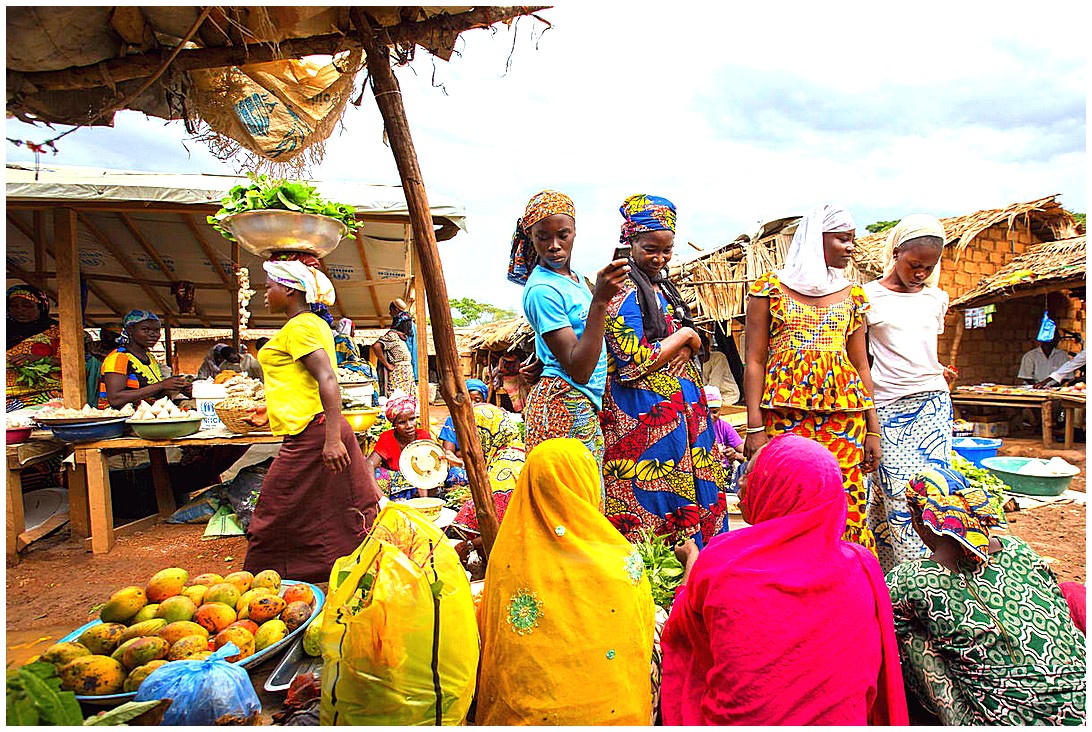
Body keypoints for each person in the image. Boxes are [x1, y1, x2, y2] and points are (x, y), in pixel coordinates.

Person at [660, 434, 909, 725]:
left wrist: (693, 561)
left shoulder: (723, 561)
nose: (741, 483)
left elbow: (685, 629)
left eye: (751, 475)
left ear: (778, 488)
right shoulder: (862, 565)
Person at [475, 438, 656, 725]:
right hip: (613, 717)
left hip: (525, 715)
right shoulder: (616, 558)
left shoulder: (507, 557)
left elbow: (492, 635)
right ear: (584, 482)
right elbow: (639, 633)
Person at [887, 466, 1087, 725]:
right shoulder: (1019, 550)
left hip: (1004, 722)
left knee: (909, 633)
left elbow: (878, 635)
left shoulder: (909, 578)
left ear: (918, 519)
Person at [743, 203, 881, 554]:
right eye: (843, 239)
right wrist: (754, 427)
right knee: (785, 495)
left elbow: (861, 365)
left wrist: (874, 429)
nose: (850, 247)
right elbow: (755, 360)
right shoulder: (769, 288)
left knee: (845, 499)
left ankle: (845, 579)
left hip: (845, 416)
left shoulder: (854, 295)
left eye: (852, 239)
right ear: (816, 238)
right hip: (784, 413)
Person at [242, 254, 379, 584]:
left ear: (290, 291)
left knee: (273, 510)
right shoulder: (314, 324)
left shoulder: (300, 327)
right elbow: (299, 381)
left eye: (270, 286)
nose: (264, 293)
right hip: (318, 428)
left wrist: (332, 439)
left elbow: (327, 378)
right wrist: (272, 409)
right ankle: (337, 571)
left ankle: (258, 582)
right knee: (336, 506)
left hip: (315, 433)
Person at [601, 194, 727, 545]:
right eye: (650, 249)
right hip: (645, 421)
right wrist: (686, 336)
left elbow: (691, 341)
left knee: (689, 505)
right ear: (630, 241)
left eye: (667, 250)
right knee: (654, 506)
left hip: (682, 420)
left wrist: (691, 341)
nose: (659, 258)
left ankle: (695, 583)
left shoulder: (663, 287)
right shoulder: (622, 289)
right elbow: (634, 362)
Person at [863, 214, 958, 572]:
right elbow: (860, 358)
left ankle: (927, 576)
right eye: (914, 264)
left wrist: (940, 370)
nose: (920, 273)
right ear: (896, 253)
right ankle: (897, 577)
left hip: (933, 404)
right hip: (887, 407)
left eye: (928, 266)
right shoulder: (868, 297)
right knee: (893, 499)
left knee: (931, 494)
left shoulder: (937, 299)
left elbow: (922, 350)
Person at [509, 189, 629, 467]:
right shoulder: (542, 290)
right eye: (543, 237)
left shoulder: (573, 280)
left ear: (575, 232)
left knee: (582, 499)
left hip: (578, 400)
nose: (554, 245)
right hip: (563, 403)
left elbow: (572, 338)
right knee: (571, 503)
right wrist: (599, 301)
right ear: (530, 237)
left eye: (563, 235)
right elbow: (580, 369)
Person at [438, 379, 526, 534]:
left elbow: (498, 525)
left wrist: (469, 545)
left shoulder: (505, 470)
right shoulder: (511, 449)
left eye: (476, 435)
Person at [98, 310, 191, 408]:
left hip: (145, 417)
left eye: (156, 330)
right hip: (120, 420)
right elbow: (115, 399)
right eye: (145, 329)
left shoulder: (150, 358)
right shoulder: (118, 358)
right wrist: (161, 385)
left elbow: (151, 394)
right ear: (130, 331)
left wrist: (176, 387)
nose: (153, 334)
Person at [363, 394, 435, 502]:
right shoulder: (387, 438)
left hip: (421, 483)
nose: (409, 425)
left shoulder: (423, 437)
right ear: (394, 424)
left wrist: (424, 501)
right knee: (377, 474)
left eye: (412, 419)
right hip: (394, 489)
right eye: (402, 422)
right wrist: (382, 500)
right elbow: (369, 464)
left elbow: (425, 471)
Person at [6, 284, 63, 411]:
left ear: (41, 307)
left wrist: (39, 359)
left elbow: (74, 365)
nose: (20, 310)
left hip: (45, 397)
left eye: (27, 306)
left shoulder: (57, 331)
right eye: (14, 306)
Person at [370, 314, 416, 397]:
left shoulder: (400, 337)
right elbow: (376, 346)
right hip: (399, 373)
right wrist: (387, 364)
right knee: (397, 397)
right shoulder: (392, 335)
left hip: (406, 373)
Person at [704, 385, 744, 469]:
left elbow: (746, 454)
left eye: (715, 412)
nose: (711, 417)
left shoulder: (724, 427)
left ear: (720, 411)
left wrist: (735, 455)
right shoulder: (694, 428)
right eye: (706, 412)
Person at [85, 326, 121, 407]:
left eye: (110, 334)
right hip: (91, 376)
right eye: (104, 333)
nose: (105, 336)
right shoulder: (90, 346)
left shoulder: (119, 349)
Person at [700, 337, 740, 406]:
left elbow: (714, 384)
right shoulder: (698, 362)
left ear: (707, 346)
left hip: (728, 396)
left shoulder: (719, 357)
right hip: (709, 397)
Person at [389, 298, 418, 381]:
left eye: (391, 310)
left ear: (396, 310)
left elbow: (404, 337)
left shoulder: (403, 321)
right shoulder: (406, 318)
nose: (390, 313)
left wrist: (393, 332)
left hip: (405, 354)